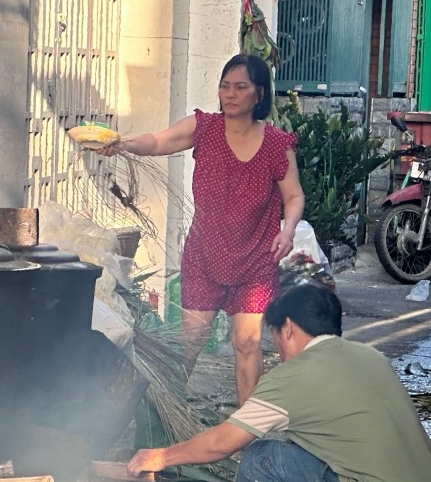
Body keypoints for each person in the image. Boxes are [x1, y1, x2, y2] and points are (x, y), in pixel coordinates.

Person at [127, 285, 431, 482]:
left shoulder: (291, 377)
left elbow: (222, 444)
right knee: (361, 448)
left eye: (275, 336)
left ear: (289, 328)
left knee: (259, 462)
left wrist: (161, 456)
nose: (277, 348)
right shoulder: (370, 356)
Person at [100, 54, 305, 403]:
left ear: (260, 94)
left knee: (247, 342)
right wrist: (123, 145)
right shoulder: (204, 128)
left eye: (241, 87)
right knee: (190, 341)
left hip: (255, 258)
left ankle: (246, 429)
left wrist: (287, 232)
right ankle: (166, 417)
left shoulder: (275, 144)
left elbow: (294, 195)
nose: (230, 94)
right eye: (225, 86)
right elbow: (160, 141)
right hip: (205, 256)